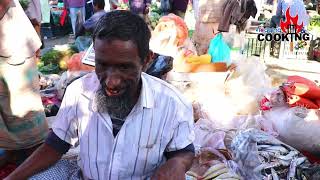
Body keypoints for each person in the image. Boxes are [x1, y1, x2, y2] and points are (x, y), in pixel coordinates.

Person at [6, 10, 195, 180]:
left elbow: (184, 152)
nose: (111, 81)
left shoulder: (173, 104)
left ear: (146, 60)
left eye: (124, 67)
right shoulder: (78, 92)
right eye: (103, 65)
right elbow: (55, 145)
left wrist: (177, 164)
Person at [0, 0, 49, 167]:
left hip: (13, 42)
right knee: (7, 104)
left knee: (21, 101)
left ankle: (33, 149)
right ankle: (13, 149)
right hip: (9, 39)